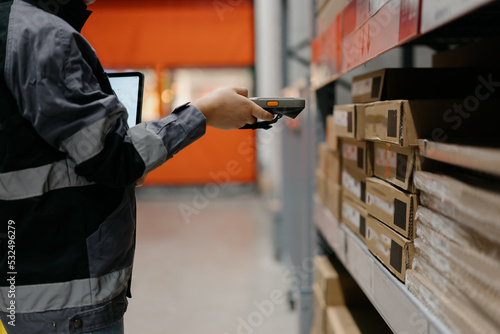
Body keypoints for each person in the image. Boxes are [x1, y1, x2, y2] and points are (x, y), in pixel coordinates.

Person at [0, 0, 274, 333]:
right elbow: (114, 158)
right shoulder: (41, 36)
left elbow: (30, 154)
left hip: (19, 287)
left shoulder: (14, 28)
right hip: (65, 298)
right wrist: (203, 113)